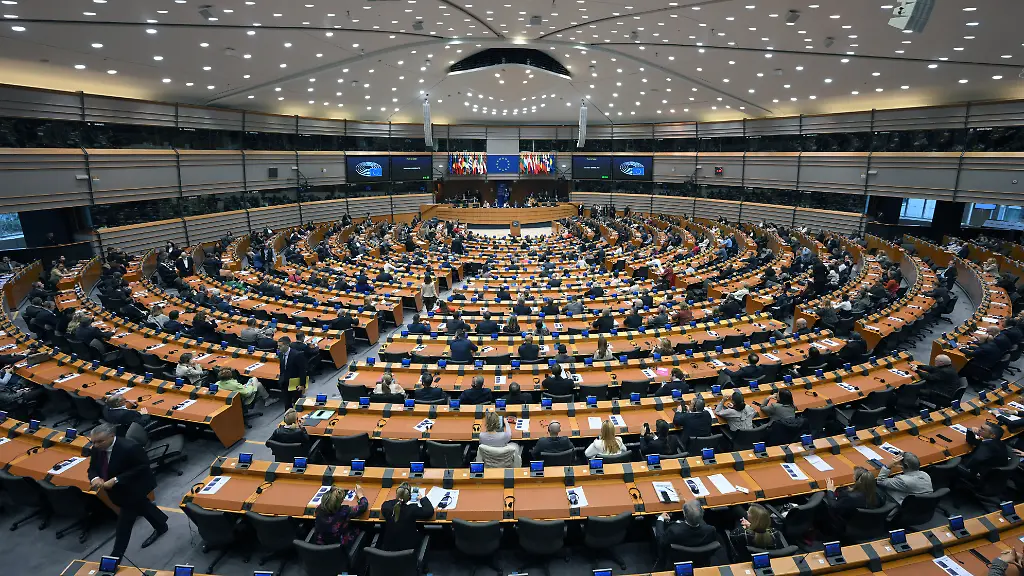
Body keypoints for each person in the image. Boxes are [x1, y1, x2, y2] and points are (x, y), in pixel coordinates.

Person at [88, 423, 169, 558]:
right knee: (144, 506)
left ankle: (115, 557)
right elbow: (92, 468)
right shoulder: (97, 448)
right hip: (117, 491)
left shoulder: (129, 447)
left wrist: (116, 480)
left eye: (100, 441)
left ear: (111, 436)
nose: (95, 445)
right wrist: (95, 478)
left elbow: (143, 467)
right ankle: (161, 526)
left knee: (124, 525)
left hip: (134, 487)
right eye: (93, 442)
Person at [655, 501, 723, 563]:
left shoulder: (674, 531)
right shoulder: (710, 530)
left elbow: (661, 540)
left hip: (678, 559)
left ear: (684, 514)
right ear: (702, 513)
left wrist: (660, 519)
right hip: (702, 560)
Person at [379, 482, 435, 552]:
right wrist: (422, 498)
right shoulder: (412, 509)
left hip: (389, 549)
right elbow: (429, 511)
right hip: (409, 550)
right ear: (409, 498)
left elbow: (390, 505)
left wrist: (398, 499)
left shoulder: (386, 506)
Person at [824, 467, 883, 532]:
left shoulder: (849, 497)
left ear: (857, 480)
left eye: (854, 475)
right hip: (871, 524)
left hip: (847, 521)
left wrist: (830, 491)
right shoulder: (878, 495)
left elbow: (834, 506)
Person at [278, 337, 309, 405]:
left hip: (295, 384)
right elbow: (282, 368)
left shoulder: (297, 355)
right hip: (285, 383)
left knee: (297, 403)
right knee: (287, 403)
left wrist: (302, 384)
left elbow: (302, 370)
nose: (278, 347)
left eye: (280, 346)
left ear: (287, 345)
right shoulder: (280, 354)